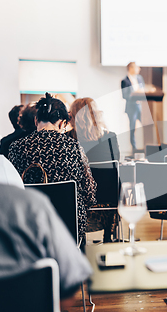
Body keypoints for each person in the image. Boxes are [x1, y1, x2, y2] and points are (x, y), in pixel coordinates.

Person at [0, 60, 91, 308]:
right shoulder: (28, 209)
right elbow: (67, 289)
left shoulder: (15, 148)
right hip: (66, 233)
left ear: (36, 121)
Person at [8, 93, 97, 239]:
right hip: (70, 226)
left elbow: (13, 190)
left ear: (36, 120)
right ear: (62, 123)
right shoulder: (74, 147)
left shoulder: (16, 147)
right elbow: (89, 194)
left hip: (31, 225)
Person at [68, 97, 120, 242]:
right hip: (110, 202)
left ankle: (81, 240)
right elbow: (116, 164)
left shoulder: (68, 139)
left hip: (81, 203)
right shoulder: (111, 137)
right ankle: (109, 237)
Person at [68, 97, 120, 163]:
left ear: (72, 116)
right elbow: (116, 161)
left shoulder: (66, 138)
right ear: (96, 115)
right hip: (105, 173)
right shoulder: (111, 137)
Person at [121, 61, 145, 150]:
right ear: (131, 68)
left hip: (140, 106)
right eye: (136, 67)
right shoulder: (125, 81)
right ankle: (134, 147)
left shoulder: (139, 78)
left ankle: (146, 146)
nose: (139, 69)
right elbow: (125, 95)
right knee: (132, 128)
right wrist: (135, 93)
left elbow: (143, 90)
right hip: (131, 107)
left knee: (146, 126)